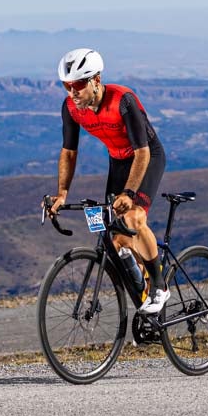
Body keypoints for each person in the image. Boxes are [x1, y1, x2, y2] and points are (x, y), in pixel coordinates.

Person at [44, 48, 169, 315]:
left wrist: (129, 192)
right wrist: (62, 193)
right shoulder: (71, 108)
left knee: (134, 218)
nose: (72, 92)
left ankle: (159, 286)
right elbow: (69, 152)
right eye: (66, 86)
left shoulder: (122, 100)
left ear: (96, 80)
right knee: (115, 237)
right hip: (119, 163)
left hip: (146, 157)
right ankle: (144, 308)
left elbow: (143, 152)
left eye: (78, 84)